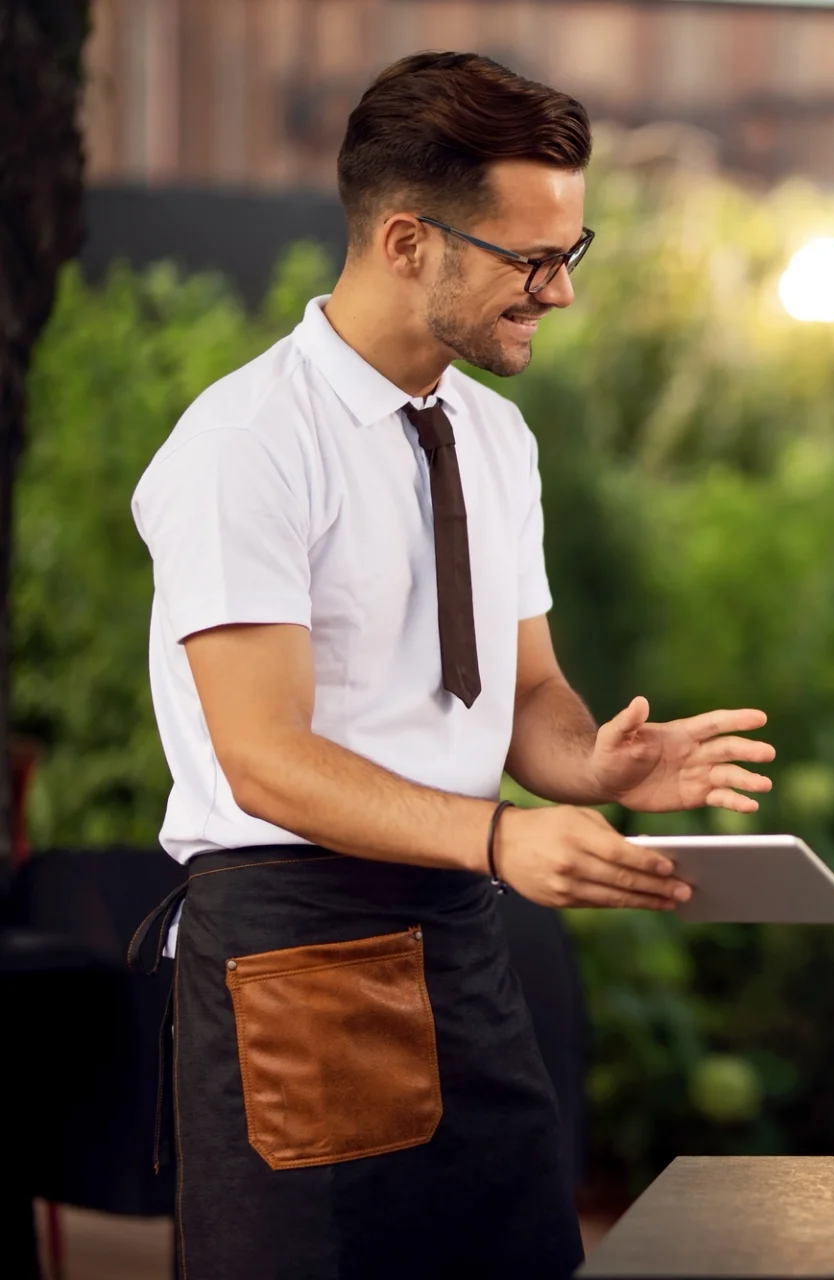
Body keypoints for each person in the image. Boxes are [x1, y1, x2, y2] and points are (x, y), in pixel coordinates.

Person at [126, 53, 775, 1280]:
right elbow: (261, 757)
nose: (559, 293)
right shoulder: (246, 442)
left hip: (464, 936)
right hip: (299, 949)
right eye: (531, 259)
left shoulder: (494, 432)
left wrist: (593, 762)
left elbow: (525, 693)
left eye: (570, 254)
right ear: (409, 241)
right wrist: (497, 835)